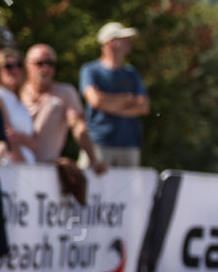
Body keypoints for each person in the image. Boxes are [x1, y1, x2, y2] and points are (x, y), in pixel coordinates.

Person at [20, 43, 107, 170]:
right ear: (27, 65)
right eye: (40, 63)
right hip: (15, 167)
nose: (46, 68)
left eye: (50, 63)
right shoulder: (15, 93)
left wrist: (93, 159)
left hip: (48, 170)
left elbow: (78, 126)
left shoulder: (65, 92)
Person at [79, 22, 150, 168]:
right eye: (124, 39)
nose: (129, 42)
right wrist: (128, 100)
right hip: (99, 143)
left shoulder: (131, 73)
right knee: (92, 189)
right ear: (110, 42)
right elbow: (95, 101)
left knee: (128, 191)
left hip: (129, 144)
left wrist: (107, 102)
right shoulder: (90, 70)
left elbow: (143, 107)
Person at [0, 46, 38, 164]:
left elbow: (34, 142)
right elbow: (7, 135)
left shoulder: (19, 101)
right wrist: (22, 163)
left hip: (27, 165)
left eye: (19, 65)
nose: (14, 70)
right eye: (8, 66)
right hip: (12, 167)